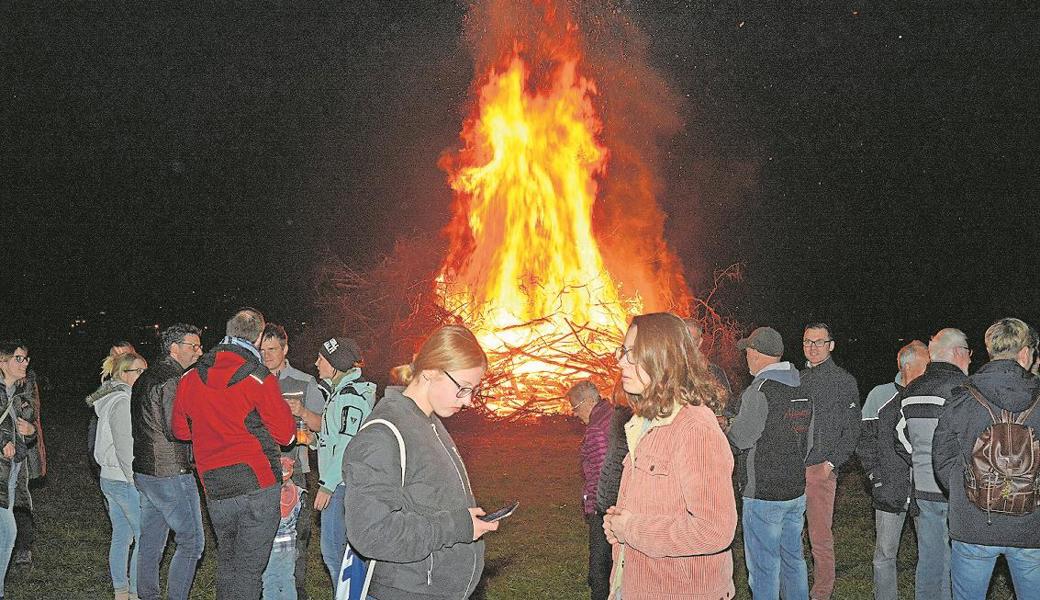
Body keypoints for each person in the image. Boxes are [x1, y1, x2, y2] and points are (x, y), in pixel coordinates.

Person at [343, 325, 499, 600]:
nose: (469, 402)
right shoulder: (383, 435)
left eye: (473, 390)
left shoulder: (428, 423)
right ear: (430, 372)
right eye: (463, 389)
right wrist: (456, 527)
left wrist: (466, 521)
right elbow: (370, 533)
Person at [603, 312, 737, 599]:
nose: (620, 361)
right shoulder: (643, 423)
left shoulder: (694, 429)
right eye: (622, 351)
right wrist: (618, 524)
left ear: (662, 358)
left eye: (631, 354)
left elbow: (714, 530)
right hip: (638, 584)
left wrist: (632, 529)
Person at [172, 308, 296, 600]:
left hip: (215, 485)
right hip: (257, 483)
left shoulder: (189, 379)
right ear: (259, 337)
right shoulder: (258, 378)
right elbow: (287, 435)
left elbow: (180, 431)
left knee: (227, 562)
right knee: (249, 571)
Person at [933, 318, 1040, 598]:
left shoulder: (962, 397)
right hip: (1032, 528)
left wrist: (964, 490)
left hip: (974, 524)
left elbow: (941, 458)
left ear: (990, 351)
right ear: (1025, 354)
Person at [726, 326, 812, 599]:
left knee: (764, 570)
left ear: (756, 354)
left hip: (763, 495)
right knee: (794, 562)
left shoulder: (759, 390)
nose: (746, 358)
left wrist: (726, 427)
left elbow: (741, 437)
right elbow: (809, 439)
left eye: (748, 352)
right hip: (795, 491)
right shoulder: (802, 385)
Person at [895, 329, 971, 599]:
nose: (970, 361)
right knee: (960, 559)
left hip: (924, 489)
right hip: (958, 489)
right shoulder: (964, 390)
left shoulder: (911, 389)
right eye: (969, 354)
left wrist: (919, 460)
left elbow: (899, 437)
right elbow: (971, 440)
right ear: (958, 353)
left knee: (929, 558)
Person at [131, 323, 205, 600]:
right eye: (193, 346)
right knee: (192, 542)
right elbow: (177, 427)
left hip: (147, 471)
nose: (199, 352)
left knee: (151, 541)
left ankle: (147, 595)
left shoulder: (145, 377)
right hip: (171, 471)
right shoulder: (174, 380)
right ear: (174, 348)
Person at [856, 340, 929, 600]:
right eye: (926, 364)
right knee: (885, 554)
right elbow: (864, 440)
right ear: (908, 366)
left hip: (925, 491)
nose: (930, 369)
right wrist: (876, 477)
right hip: (889, 489)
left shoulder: (929, 393)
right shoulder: (880, 394)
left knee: (930, 554)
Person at [259, 323, 325, 600]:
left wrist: (301, 412)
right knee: (263, 538)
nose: (267, 356)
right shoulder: (254, 380)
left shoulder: (304, 382)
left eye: (272, 349)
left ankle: (296, 593)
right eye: (262, 350)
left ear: (285, 349)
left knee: (297, 540)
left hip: (295, 472)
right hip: (260, 472)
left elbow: (323, 429)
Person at [799, 322, 860, 600]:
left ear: (831, 345)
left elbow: (852, 429)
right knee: (791, 534)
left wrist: (832, 463)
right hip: (793, 469)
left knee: (819, 537)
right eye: (807, 342)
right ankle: (795, 586)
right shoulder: (797, 378)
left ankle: (821, 592)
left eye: (819, 342)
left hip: (819, 469)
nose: (812, 347)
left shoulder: (843, 381)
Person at [313, 336, 376, 591]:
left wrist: (327, 485)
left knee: (334, 553)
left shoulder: (351, 397)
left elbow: (348, 445)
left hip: (341, 485)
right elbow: (335, 438)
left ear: (335, 364)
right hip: (339, 482)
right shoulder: (340, 392)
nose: (316, 363)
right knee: (344, 556)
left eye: (321, 359)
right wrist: (315, 441)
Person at [90, 351, 148, 600]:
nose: (145, 376)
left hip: (109, 478)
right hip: (124, 479)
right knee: (145, 538)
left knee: (122, 536)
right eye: (139, 372)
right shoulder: (123, 401)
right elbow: (126, 447)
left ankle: (121, 592)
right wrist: (137, 481)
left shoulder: (112, 397)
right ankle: (135, 593)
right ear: (124, 374)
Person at [567, 379, 613, 600]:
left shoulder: (596, 429)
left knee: (600, 566)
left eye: (575, 407)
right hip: (616, 503)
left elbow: (602, 473)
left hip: (603, 506)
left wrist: (593, 507)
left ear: (587, 402)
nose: (575, 414)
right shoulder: (611, 414)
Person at [263, 457, 304, 600]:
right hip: (289, 546)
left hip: (272, 547)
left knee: (269, 579)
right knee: (287, 578)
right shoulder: (295, 491)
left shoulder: (274, 496)